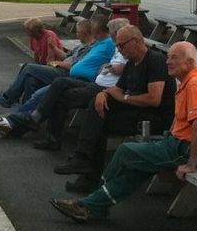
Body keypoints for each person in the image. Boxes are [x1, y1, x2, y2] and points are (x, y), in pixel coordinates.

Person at [49, 41, 197, 223]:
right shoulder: (194, 81)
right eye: (168, 57)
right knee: (135, 170)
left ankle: (94, 195)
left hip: (185, 149)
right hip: (179, 144)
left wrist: (191, 163)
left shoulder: (195, 84)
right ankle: (92, 206)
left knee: (126, 151)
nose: (168, 61)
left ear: (190, 62)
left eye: (174, 58)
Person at [52, 25, 174, 193]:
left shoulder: (155, 60)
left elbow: (154, 99)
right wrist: (103, 94)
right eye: (117, 46)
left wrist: (124, 98)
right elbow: (117, 89)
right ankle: (85, 166)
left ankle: (85, 166)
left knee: (99, 121)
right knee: (97, 110)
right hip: (137, 112)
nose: (119, 50)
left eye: (121, 45)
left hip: (155, 118)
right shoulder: (131, 63)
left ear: (136, 41)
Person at [0, 18, 129, 146]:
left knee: (39, 79)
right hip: (82, 79)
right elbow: (106, 61)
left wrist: (120, 67)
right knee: (35, 81)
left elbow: (131, 63)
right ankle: (20, 124)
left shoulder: (112, 45)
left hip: (86, 81)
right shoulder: (102, 44)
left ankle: (16, 117)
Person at [0, 18, 94, 108]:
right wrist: (54, 48)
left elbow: (73, 66)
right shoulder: (80, 45)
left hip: (64, 72)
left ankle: (7, 98)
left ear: (84, 33)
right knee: (30, 79)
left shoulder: (89, 48)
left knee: (29, 68)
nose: (76, 34)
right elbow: (66, 57)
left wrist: (55, 63)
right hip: (58, 67)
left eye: (78, 32)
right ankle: (25, 109)